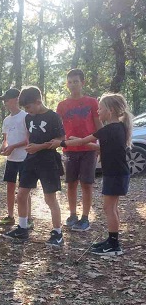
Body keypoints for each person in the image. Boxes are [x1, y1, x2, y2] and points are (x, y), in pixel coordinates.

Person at [50, 93, 132, 256]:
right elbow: (99, 147)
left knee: (109, 208)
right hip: (117, 173)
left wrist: (62, 143)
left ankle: (114, 246)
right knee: (112, 208)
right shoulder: (118, 128)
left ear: (110, 110)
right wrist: (76, 138)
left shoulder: (109, 128)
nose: (98, 111)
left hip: (115, 174)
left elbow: (82, 142)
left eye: (100, 108)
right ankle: (112, 240)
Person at [2, 86, 65, 247]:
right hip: (30, 160)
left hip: (48, 161)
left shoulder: (53, 117)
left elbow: (59, 140)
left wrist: (40, 147)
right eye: (25, 109)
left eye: (29, 107)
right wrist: (30, 147)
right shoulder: (29, 118)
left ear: (38, 101)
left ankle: (57, 233)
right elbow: (30, 137)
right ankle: (22, 228)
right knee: (21, 195)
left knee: (50, 198)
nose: (28, 112)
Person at [56, 69, 103, 231]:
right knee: (70, 183)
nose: (73, 84)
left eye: (76, 81)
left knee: (87, 183)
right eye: (70, 82)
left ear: (82, 82)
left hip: (89, 149)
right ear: (67, 84)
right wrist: (61, 143)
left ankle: (85, 217)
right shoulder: (62, 105)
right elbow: (59, 128)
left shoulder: (92, 102)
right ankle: (73, 214)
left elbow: (98, 125)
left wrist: (101, 146)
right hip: (69, 150)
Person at [0, 89, 34, 229]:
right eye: (4, 100)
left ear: (16, 99)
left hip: (24, 157)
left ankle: (28, 218)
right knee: (10, 187)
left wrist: (13, 146)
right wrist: (3, 147)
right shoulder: (6, 120)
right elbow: (6, 140)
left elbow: (28, 139)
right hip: (11, 159)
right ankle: (10, 216)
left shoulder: (25, 116)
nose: (5, 102)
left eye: (7, 99)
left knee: (24, 189)